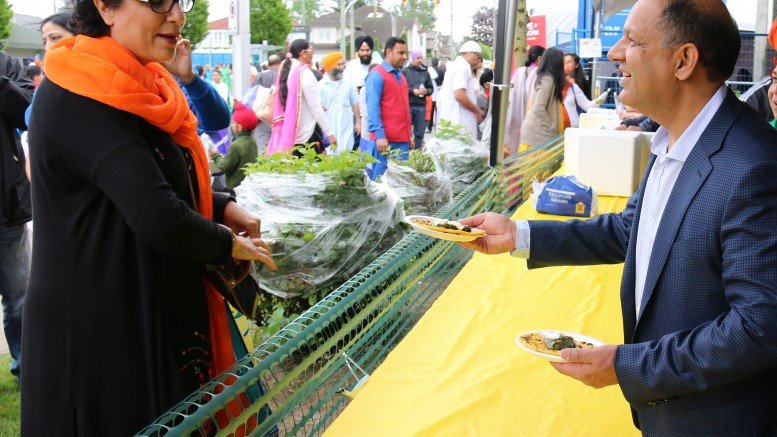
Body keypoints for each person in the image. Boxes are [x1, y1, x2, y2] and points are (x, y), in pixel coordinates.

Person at [459, 0, 777, 434]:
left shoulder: (753, 165)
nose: (615, 53)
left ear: (683, 60)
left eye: (633, 40)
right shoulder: (673, 138)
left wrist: (626, 365)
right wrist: (518, 234)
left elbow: (760, 328)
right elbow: (632, 229)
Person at [22, 0, 278, 434]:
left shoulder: (145, 84)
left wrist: (220, 204)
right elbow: (156, 212)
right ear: (105, 7)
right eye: (159, 1)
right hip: (101, 327)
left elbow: (155, 179)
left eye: (181, 2)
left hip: (147, 301)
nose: (177, 16)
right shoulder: (78, 93)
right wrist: (227, 243)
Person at [0, 50, 34, 382]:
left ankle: (26, 366)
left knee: (19, 297)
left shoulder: (7, 65)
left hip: (5, 206)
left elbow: (28, 113)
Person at [266, 39, 335, 155]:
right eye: (311, 50)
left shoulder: (286, 69)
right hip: (308, 134)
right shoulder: (305, 74)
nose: (312, 53)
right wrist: (330, 134)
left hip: (291, 134)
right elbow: (315, 107)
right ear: (303, 53)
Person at [364, 36, 413, 179]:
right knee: (381, 183)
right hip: (385, 142)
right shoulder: (376, 75)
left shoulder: (400, 76)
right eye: (400, 53)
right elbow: (372, 108)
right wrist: (380, 136)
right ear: (389, 52)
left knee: (400, 182)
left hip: (402, 140)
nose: (404, 57)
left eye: (405, 53)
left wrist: (408, 135)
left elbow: (404, 108)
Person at [519, 47, 566, 150]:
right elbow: (538, 108)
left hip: (537, 134)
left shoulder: (544, 77)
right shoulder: (548, 80)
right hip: (538, 136)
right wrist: (551, 128)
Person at [437, 40, 484, 141]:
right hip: (459, 125)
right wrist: (477, 111)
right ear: (470, 54)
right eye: (478, 57)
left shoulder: (456, 65)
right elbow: (459, 95)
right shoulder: (462, 67)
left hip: (454, 124)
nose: (479, 61)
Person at [504, 45, 544, 153]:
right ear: (540, 58)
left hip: (515, 114)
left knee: (514, 142)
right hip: (530, 115)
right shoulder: (540, 73)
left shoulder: (518, 71)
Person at [319, 51, 360, 154]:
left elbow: (355, 103)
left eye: (343, 64)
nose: (342, 67)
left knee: (346, 154)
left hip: (346, 127)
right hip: (329, 128)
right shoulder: (320, 86)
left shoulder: (348, 84)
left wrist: (358, 122)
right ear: (330, 66)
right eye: (339, 64)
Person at [210, 102, 258, 190]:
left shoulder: (235, 146)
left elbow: (225, 166)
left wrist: (215, 156)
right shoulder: (252, 142)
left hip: (237, 188)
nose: (232, 126)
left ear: (239, 127)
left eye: (233, 123)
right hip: (249, 186)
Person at [402, 50, 432, 148]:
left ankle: (417, 153)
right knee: (405, 131)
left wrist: (426, 91)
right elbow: (400, 88)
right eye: (417, 58)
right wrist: (412, 91)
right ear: (412, 59)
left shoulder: (425, 73)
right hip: (408, 105)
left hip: (421, 106)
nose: (420, 60)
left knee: (419, 133)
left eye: (421, 58)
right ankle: (405, 152)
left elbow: (431, 89)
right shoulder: (405, 71)